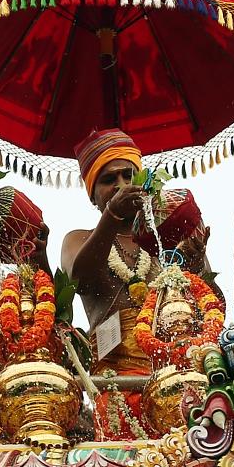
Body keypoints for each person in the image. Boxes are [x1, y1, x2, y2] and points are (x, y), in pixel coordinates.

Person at [60, 129, 168, 439]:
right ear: (93, 195)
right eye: (109, 180)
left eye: (128, 176)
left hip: (172, 381)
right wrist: (112, 215)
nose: (121, 185)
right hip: (116, 385)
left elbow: (203, 305)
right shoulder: (77, 239)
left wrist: (197, 257)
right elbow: (78, 278)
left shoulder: (158, 245)